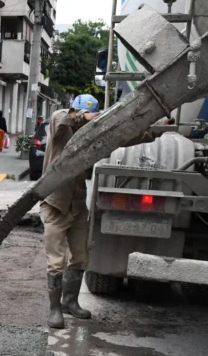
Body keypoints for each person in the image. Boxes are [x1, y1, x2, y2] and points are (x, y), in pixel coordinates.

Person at [42, 94, 170, 329]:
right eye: (86, 117)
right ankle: (54, 310)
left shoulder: (94, 136)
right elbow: (61, 118)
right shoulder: (60, 128)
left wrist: (155, 131)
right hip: (55, 205)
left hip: (77, 206)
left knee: (81, 257)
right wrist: (81, 116)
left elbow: (123, 137)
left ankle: (70, 302)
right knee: (56, 261)